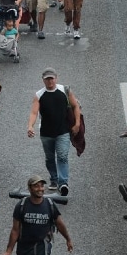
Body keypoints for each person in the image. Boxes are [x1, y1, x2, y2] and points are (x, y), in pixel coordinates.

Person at [25, 67, 81, 195]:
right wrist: (30, 126)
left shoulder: (65, 91)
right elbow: (34, 112)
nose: (50, 81)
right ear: (43, 80)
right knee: (49, 158)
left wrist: (77, 123)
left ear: (56, 78)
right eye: (47, 79)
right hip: (46, 133)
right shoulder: (39, 95)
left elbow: (75, 106)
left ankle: (63, 183)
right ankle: (54, 179)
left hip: (63, 131)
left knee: (62, 156)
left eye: (52, 78)